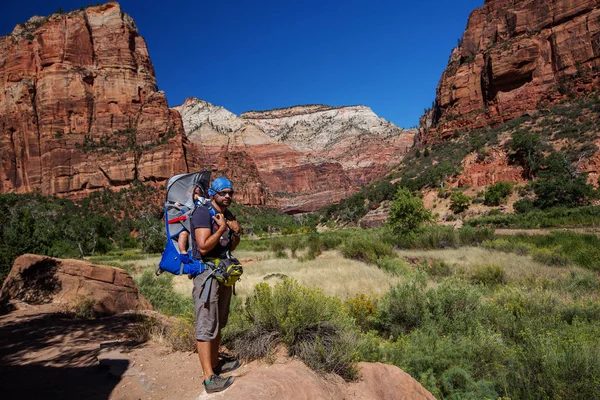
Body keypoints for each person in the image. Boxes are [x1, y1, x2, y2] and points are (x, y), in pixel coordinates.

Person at [190, 177, 242, 393]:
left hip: (223, 274)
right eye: (223, 193)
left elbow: (231, 247)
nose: (228, 196)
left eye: (230, 192)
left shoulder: (228, 214)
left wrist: (236, 232)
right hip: (207, 275)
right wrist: (221, 229)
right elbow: (203, 247)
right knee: (205, 324)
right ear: (213, 193)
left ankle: (215, 363)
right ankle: (209, 379)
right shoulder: (202, 213)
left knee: (219, 322)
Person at [177, 184, 205, 254]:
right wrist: (176, 205)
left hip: (199, 225)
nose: (192, 194)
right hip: (186, 226)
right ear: (186, 193)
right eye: (190, 192)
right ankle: (182, 251)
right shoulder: (183, 202)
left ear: (201, 194)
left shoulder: (200, 202)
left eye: (196, 193)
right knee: (183, 234)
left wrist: (199, 198)